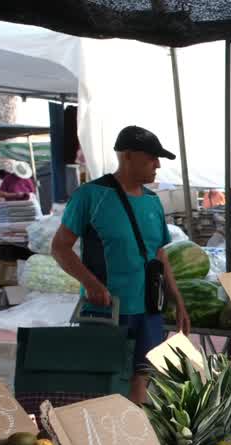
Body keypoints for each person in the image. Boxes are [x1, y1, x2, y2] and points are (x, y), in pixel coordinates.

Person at [51, 126, 190, 405]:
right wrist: (91, 284)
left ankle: (134, 427)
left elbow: (159, 254)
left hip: (149, 308)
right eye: (151, 158)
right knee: (105, 385)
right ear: (127, 156)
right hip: (106, 310)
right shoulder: (90, 195)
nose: (157, 165)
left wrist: (177, 299)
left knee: (142, 377)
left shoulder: (152, 201)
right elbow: (60, 248)